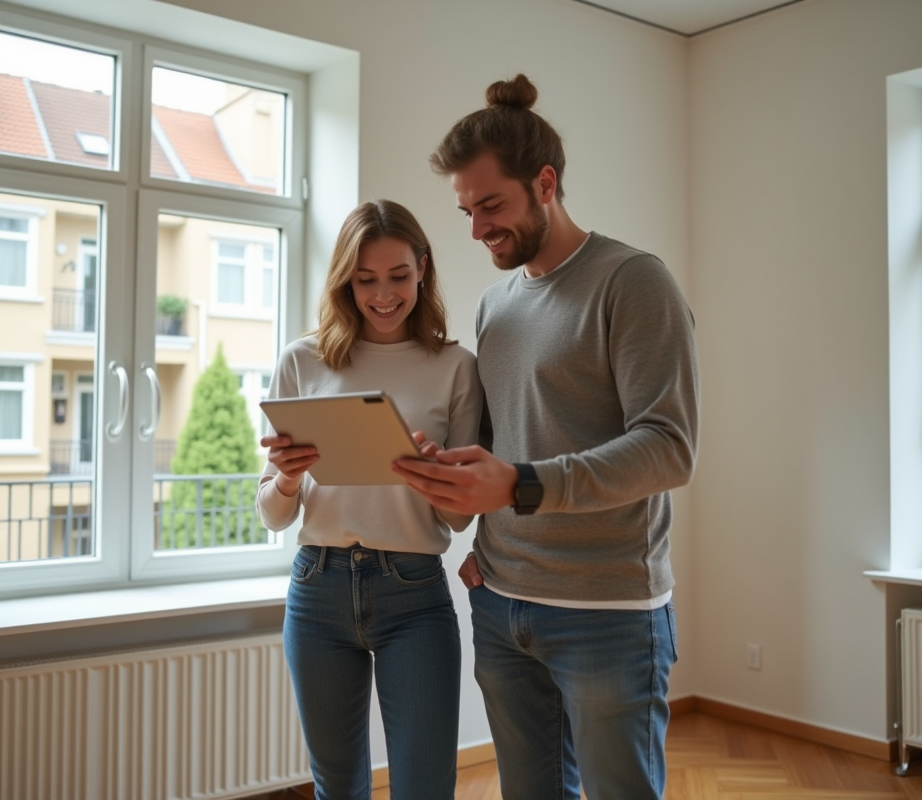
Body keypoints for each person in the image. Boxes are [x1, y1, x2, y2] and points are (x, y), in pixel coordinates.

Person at [392, 74, 699, 800]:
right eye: (467, 211)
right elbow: (505, 445)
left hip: (608, 613)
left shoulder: (633, 282)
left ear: (546, 183)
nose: (476, 229)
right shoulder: (495, 304)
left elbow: (668, 447)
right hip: (502, 604)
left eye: (491, 206)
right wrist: (461, 495)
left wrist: (520, 485)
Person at [256, 199, 482, 800]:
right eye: (365, 280)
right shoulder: (302, 360)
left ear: (423, 269)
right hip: (317, 589)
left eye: (398, 276)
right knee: (337, 787)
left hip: (414, 593)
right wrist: (286, 479)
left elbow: (460, 518)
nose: (383, 295)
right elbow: (273, 515)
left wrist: (430, 475)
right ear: (345, 281)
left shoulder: (455, 367)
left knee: (424, 787)